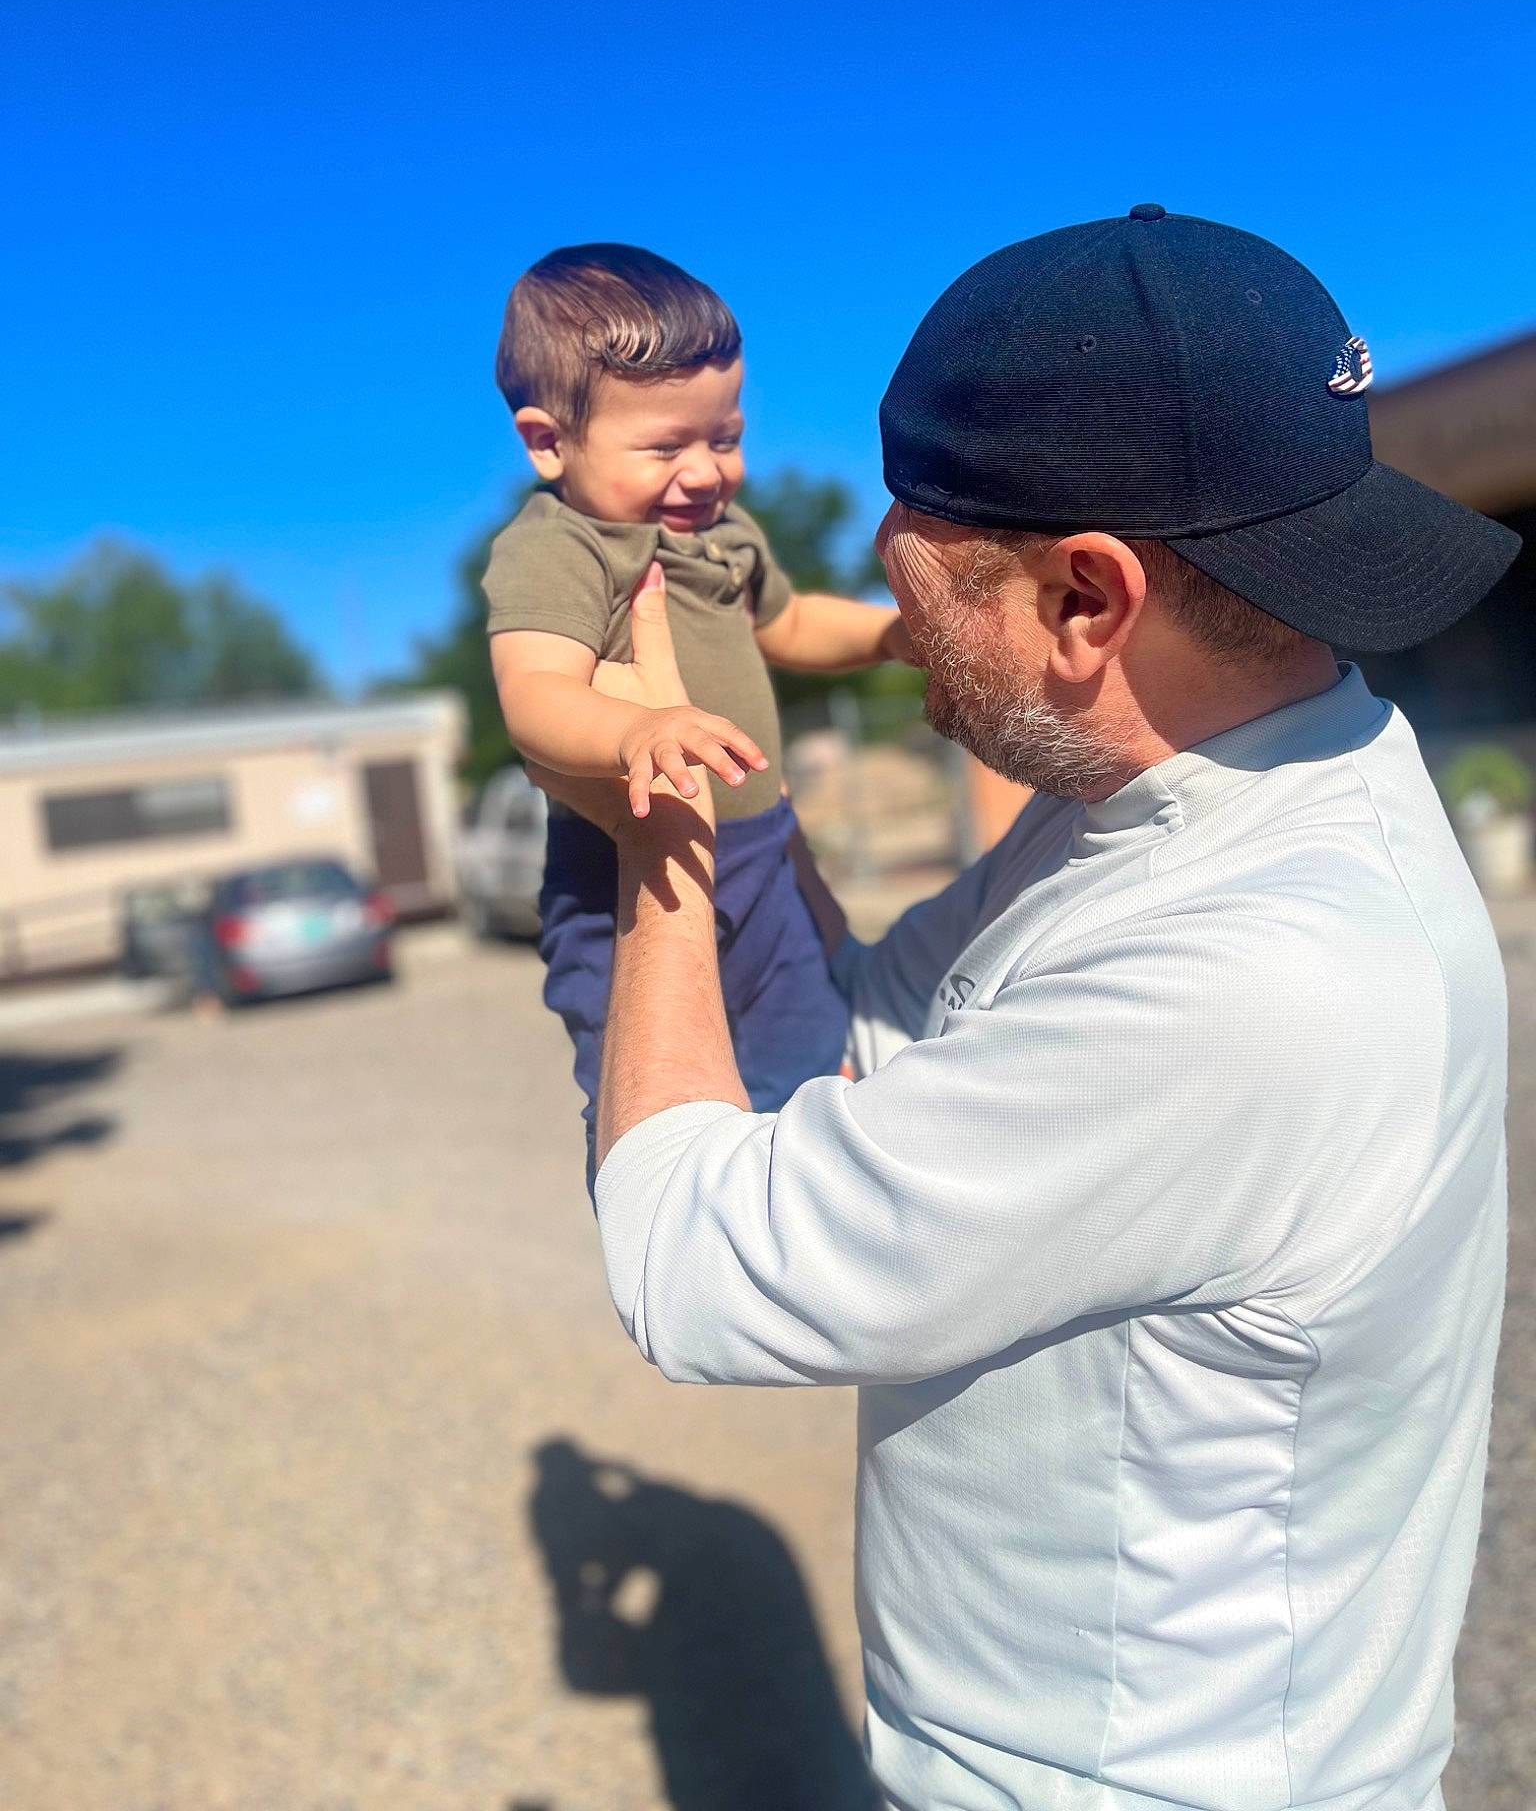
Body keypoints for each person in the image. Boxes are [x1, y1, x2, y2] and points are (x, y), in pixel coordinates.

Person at [533, 208, 1519, 1811]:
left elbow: (693, 1264)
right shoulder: (1188, 796)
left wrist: (657, 832)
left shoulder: (1256, 976)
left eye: (913, 565)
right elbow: (873, 1022)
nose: (889, 611)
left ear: (1086, 601)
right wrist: (760, 850)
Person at [483, 243, 910, 1180]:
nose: (706, 472)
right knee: (655, 1089)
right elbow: (535, 696)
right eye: (665, 447)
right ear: (549, 443)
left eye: (724, 437)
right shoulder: (561, 547)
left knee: (807, 1056)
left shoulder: (724, 537)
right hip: (624, 869)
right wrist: (635, 730)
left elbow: (789, 623)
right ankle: (673, 1214)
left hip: (764, 857)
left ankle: (802, 1205)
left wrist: (888, 634)